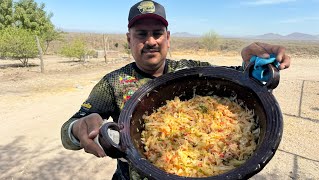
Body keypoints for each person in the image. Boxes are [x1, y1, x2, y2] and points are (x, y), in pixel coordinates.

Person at [61, 0, 291, 179]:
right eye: (141, 34)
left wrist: (253, 64)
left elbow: (238, 79)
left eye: (157, 33)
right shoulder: (114, 83)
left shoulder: (190, 69)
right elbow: (69, 131)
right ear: (129, 39)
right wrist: (76, 129)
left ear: (168, 38)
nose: (151, 41)